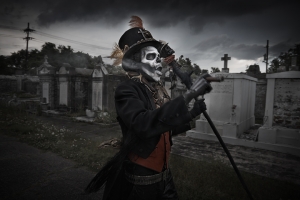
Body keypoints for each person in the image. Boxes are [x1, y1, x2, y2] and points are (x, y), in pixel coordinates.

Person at [85, 16, 212, 200]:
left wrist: (192, 112)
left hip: (165, 177)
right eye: (152, 57)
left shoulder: (156, 90)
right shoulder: (127, 90)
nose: (159, 62)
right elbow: (143, 125)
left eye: (158, 57)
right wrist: (188, 95)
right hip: (142, 183)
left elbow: (162, 128)